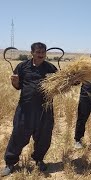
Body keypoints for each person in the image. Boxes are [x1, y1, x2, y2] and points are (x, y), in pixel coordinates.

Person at [1, 42, 58, 176]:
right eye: (38, 52)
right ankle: (10, 163)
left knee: (44, 136)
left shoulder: (51, 68)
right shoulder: (22, 66)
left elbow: (60, 84)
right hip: (25, 108)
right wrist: (14, 82)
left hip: (45, 109)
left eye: (43, 52)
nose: (41, 55)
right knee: (18, 135)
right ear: (32, 52)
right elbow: (18, 86)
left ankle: (39, 159)